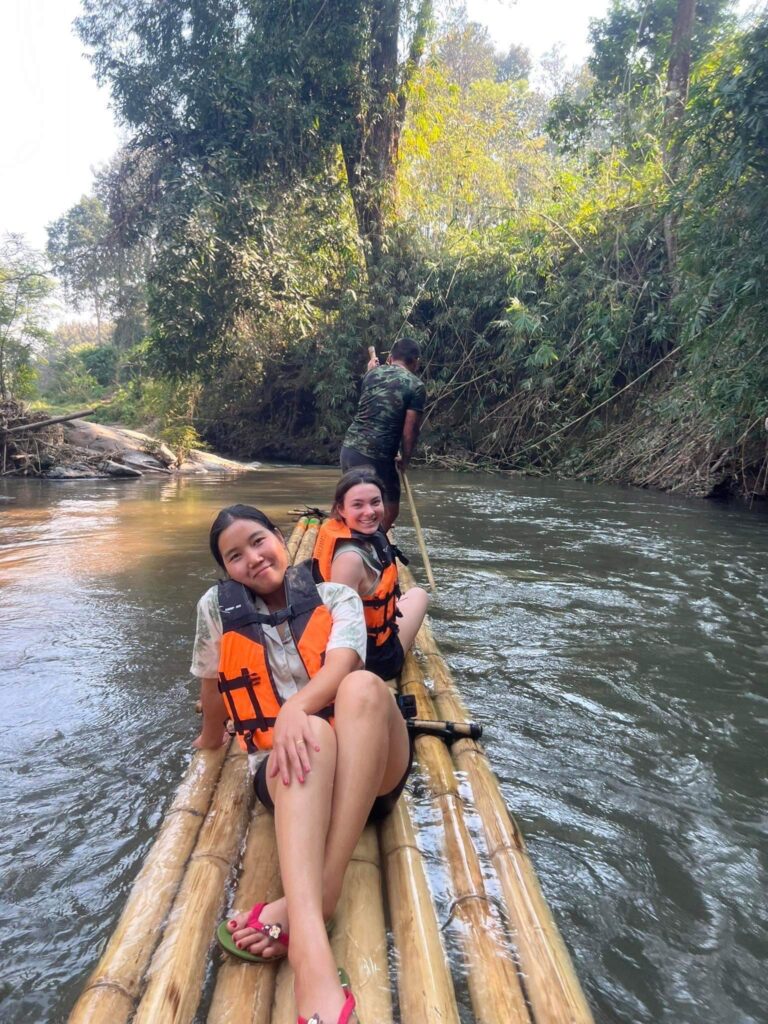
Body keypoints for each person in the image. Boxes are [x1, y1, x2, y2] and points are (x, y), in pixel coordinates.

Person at [191, 504, 411, 1024]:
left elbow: (343, 663)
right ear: (226, 571)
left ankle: (319, 893)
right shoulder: (214, 609)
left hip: (369, 770)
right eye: (234, 555)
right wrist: (208, 741)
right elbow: (211, 680)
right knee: (311, 733)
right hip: (293, 780)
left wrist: (294, 706)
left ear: (279, 540)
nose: (252, 557)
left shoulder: (334, 595)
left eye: (258, 540)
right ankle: (311, 952)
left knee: (361, 685)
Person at [313, 469, 429, 680]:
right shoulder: (350, 560)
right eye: (358, 505)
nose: (369, 512)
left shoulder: (360, 536)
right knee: (420, 595)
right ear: (341, 509)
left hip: (371, 644)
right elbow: (341, 631)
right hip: (372, 660)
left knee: (418, 594)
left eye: (375, 502)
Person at [340, 336, 426, 530]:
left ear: (391, 357)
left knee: (353, 500)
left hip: (349, 449)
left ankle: (352, 540)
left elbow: (373, 404)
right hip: (377, 456)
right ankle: (371, 545)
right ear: (416, 361)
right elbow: (410, 430)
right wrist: (405, 459)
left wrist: (371, 369)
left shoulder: (371, 374)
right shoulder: (416, 386)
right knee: (390, 509)